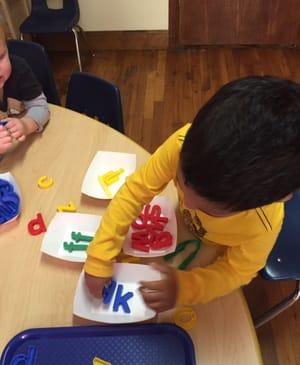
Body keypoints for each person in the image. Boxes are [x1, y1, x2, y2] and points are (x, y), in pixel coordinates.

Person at [83, 76, 300, 313]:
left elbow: (236, 271)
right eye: (181, 182)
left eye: (208, 209)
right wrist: (100, 256)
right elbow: (136, 190)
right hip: (180, 232)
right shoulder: (183, 145)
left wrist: (184, 288)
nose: (186, 201)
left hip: (213, 254)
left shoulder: (263, 224)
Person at [0, 27, 50, 156]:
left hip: (24, 150)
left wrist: (26, 125)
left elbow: (40, 107)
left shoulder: (19, 69)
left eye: (0, 57)